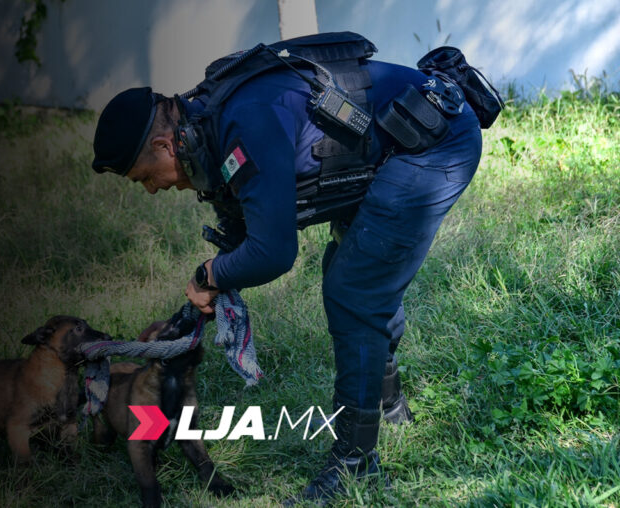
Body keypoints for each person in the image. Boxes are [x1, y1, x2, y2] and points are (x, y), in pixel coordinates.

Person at [91, 32, 483, 504]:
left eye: (145, 178)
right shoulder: (207, 118)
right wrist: (217, 276)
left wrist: (208, 276)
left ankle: (356, 464)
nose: (152, 190)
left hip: (430, 146)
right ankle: (387, 404)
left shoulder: (245, 119)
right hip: (384, 153)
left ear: (163, 145)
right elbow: (246, 212)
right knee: (354, 266)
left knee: (355, 290)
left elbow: (274, 251)